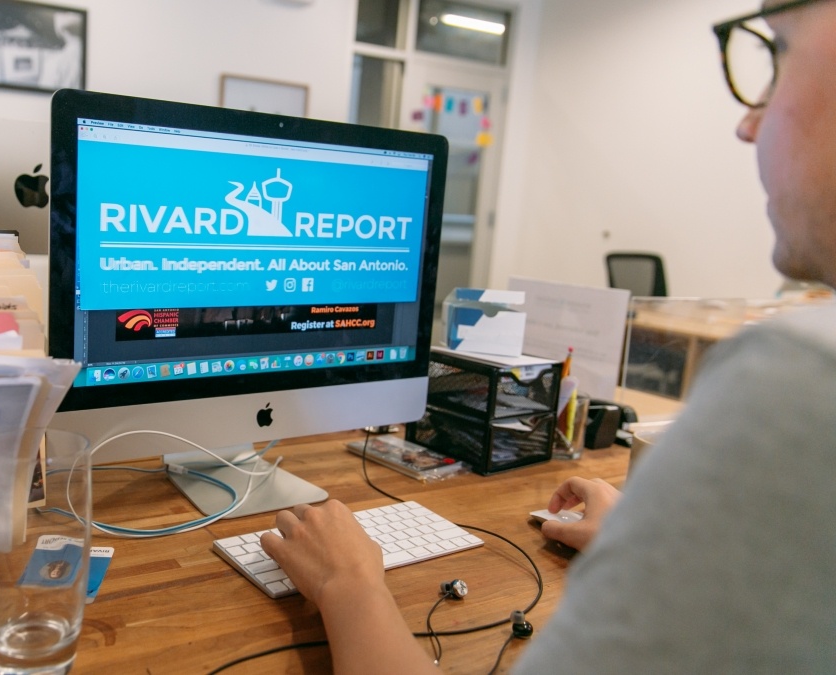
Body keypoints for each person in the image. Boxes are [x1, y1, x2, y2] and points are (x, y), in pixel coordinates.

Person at [260, 1, 836, 672]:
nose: (747, 122)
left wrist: (348, 582)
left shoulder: (802, 382)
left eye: (777, 55)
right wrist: (644, 537)